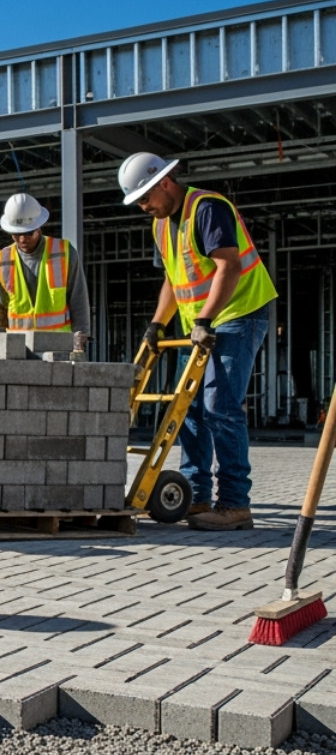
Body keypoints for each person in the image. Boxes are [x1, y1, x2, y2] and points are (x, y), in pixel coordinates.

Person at [120, 152, 278, 531]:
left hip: (239, 312)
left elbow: (229, 266)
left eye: (145, 198)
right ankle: (196, 495)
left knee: (219, 407)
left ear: (165, 182)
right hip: (199, 324)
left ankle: (235, 504)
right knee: (188, 408)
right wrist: (157, 325)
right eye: (138, 201)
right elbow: (174, 279)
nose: (143, 207)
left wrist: (205, 319)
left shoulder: (207, 208)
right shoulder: (161, 225)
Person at [0, 192, 90, 357]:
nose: (22, 239)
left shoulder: (63, 253)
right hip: (18, 350)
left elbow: (78, 299)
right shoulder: (2, 261)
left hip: (58, 349)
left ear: (39, 227)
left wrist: (80, 338)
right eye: (16, 234)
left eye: (29, 233)